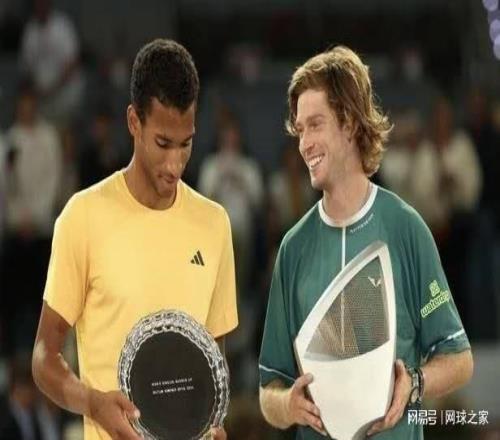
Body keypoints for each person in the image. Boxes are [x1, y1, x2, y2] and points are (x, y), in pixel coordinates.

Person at [258, 46, 473, 439]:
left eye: (315, 125)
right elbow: (268, 389)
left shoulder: (406, 228)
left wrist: (415, 383)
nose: (304, 143)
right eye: (300, 129)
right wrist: (287, 404)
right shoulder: (293, 248)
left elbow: (459, 359)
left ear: (350, 124)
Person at [32, 39, 237, 440]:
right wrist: (93, 403)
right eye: (163, 143)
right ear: (133, 122)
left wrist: (215, 427)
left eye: (186, 143)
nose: (175, 164)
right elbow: (43, 358)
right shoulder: (82, 216)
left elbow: (214, 367)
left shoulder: (215, 224)